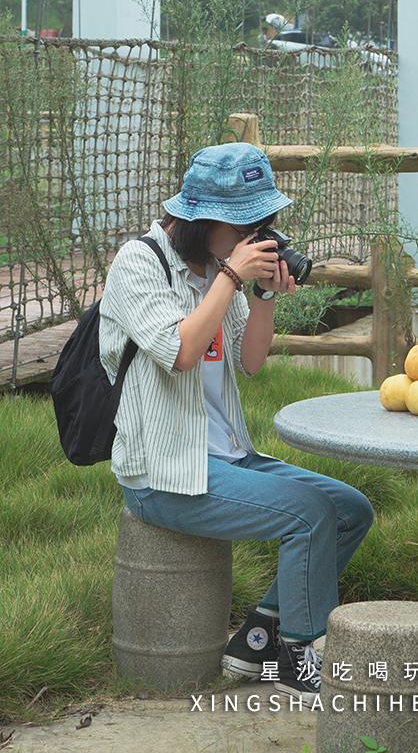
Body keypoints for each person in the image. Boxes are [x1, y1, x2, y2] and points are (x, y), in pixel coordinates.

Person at [98, 143, 375, 704]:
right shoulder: (139, 263)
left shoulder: (215, 271)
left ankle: (255, 639)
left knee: (350, 510)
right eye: (243, 225)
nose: (255, 236)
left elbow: (250, 362)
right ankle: (298, 656)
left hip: (228, 454)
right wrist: (229, 276)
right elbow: (178, 352)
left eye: (262, 224)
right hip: (163, 471)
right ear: (201, 220)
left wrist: (264, 293)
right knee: (309, 516)